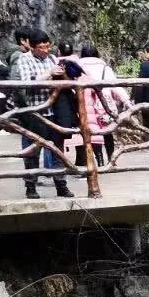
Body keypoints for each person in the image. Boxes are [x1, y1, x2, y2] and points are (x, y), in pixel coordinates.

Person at [16, 30, 72, 198]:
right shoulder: (24, 59)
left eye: (48, 46)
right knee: (32, 152)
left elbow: (64, 82)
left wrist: (63, 74)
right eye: (41, 48)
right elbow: (27, 84)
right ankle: (31, 188)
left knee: (57, 151)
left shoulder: (53, 59)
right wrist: (49, 74)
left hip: (54, 112)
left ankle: (61, 186)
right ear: (32, 47)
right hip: (34, 113)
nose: (46, 50)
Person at [76, 44, 130, 166]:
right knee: (107, 132)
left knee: (92, 132)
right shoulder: (105, 68)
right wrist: (126, 100)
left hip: (85, 103)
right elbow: (116, 86)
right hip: (104, 103)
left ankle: (99, 160)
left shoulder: (78, 66)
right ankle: (111, 159)